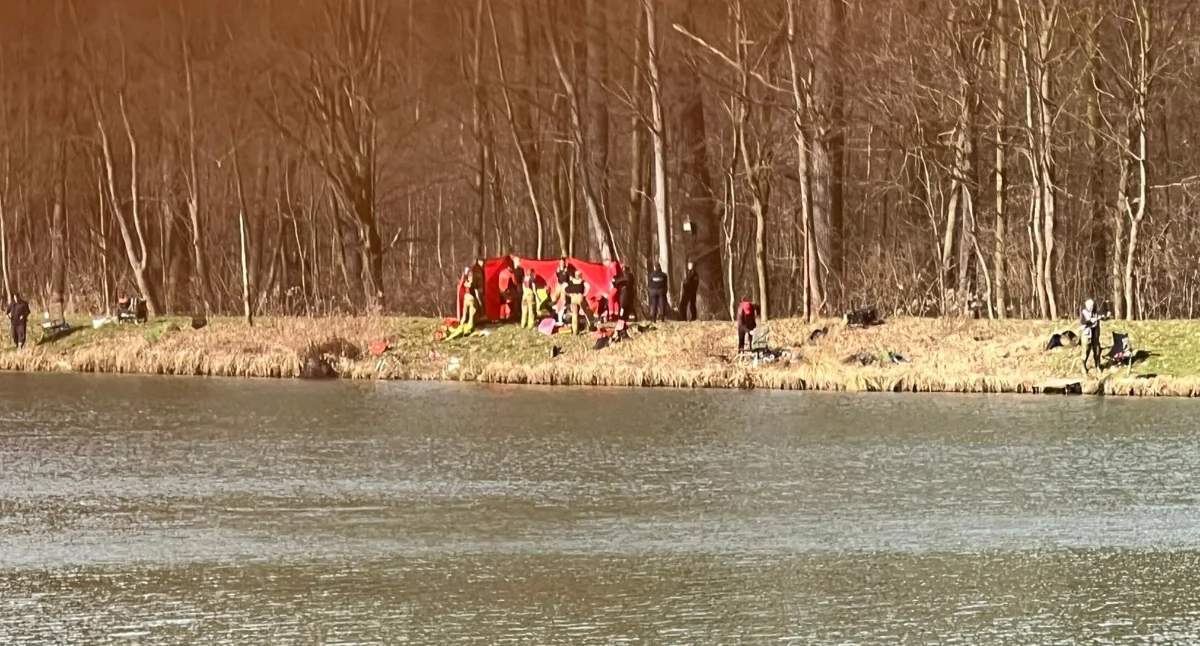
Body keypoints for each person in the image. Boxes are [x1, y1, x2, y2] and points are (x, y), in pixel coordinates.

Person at [1080, 298, 1103, 373]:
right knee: (1085, 352)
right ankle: (1083, 366)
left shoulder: (1095, 312)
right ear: (1087, 306)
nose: (1092, 307)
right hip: (1086, 335)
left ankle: (1098, 366)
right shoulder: (1083, 312)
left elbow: (1102, 315)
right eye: (1090, 306)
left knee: (1097, 351)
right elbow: (1082, 323)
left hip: (1095, 335)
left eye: (1092, 306)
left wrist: (1103, 316)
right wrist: (1090, 321)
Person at [565, 269, 590, 334]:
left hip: (573, 298)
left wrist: (569, 294)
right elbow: (588, 286)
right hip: (580, 297)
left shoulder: (571, 281)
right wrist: (585, 294)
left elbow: (565, 288)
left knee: (574, 314)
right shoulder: (582, 281)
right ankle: (591, 326)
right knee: (586, 312)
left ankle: (575, 331)